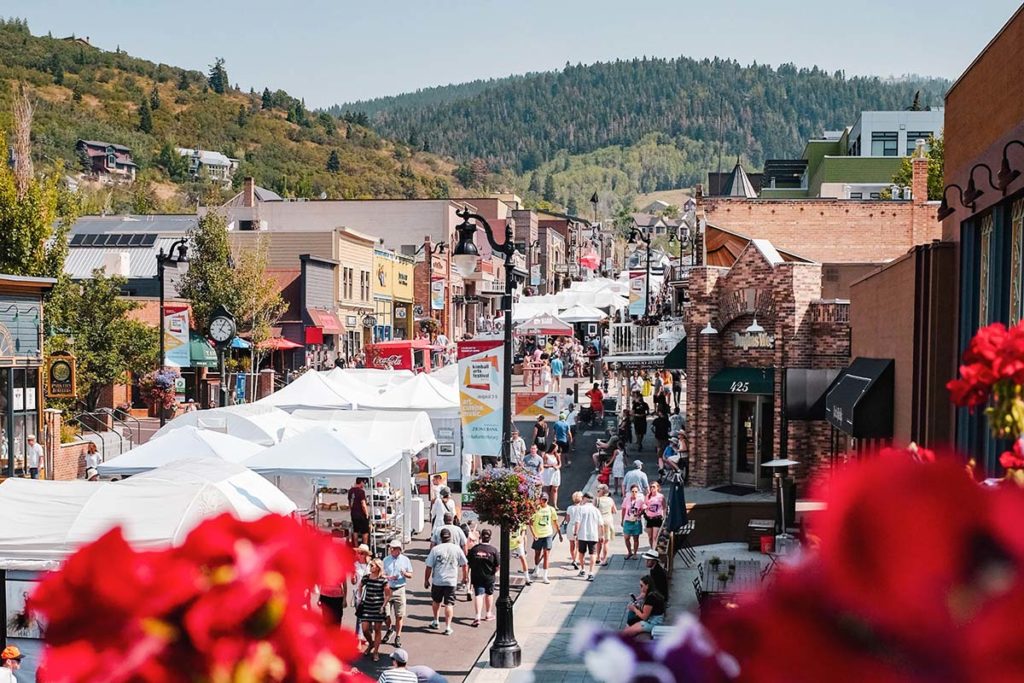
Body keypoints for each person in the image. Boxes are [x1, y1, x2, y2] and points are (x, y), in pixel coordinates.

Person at [424, 528, 469, 636]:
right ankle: (448, 627)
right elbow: (464, 564)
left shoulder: (435, 549)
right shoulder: (456, 549)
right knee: (449, 604)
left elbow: (429, 566)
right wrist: (465, 577)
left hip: (438, 580)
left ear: (440, 538)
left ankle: (436, 620)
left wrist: (426, 579)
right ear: (450, 537)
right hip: (451, 581)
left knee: (436, 601)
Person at [358, 558, 391, 661]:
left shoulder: (383, 580)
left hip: (378, 607)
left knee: (377, 630)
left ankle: (376, 652)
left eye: (373, 566)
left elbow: (388, 594)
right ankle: (371, 643)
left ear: (378, 567)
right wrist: (359, 597)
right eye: (370, 565)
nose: (371, 567)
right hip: (367, 606)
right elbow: (360, 585)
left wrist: (383, 606)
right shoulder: (366, 578)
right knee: (365, 629)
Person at [382, 540, 414, 649]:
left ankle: (398, 636)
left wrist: (405, 574)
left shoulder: (405, 560)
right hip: (388, 589)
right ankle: (389, 629)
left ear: (399, 550)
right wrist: (389, 578)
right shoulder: (386, 560)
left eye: (393, 548)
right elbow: (382, 574)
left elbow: (410, 574)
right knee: (385, 614)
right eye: (390, 548)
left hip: (400, 589)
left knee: (399, 615)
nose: (391, 550)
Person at [468, 528, 500, 626]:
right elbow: (498, 565)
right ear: (490, 538)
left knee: (478, 595)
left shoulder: (474, 549)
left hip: (476, 575)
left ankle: (477, 616)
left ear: (481, 537)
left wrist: (467, 576)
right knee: (489, 594)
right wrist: (494, 572)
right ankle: (488, 613)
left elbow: (469, 563)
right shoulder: (493, 550)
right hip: (489, 576)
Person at [530, 492, 561, 583]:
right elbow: (531, 523)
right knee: (537, 553)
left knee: (546, 555)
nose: (543, 501)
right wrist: (534, 534)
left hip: (548, 534)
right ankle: (536, 569)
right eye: (542, 499)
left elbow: (555, 522)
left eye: (545, 500)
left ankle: (545, 575)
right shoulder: (536, 510)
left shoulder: (551, 509)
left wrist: (558, 533)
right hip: (538, 534)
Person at [573, 492, 604, 582]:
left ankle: (582, 569)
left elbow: (577, 522)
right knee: (593, 554)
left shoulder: (580, 509)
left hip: (582, 535)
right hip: (593, 535)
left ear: (585, 499)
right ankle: (591, 572)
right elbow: (601, 524)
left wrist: (575, 533)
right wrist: (601, 535)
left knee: (581, 552)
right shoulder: (596, 510)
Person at [318, 542, 348, 627]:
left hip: (337, 596)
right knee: (326, 620)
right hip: (325, 595)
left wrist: (345, 598)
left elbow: (345, 584)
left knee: (337, 619)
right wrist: (319, 598)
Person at [351, 543, 372, 648]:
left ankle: (365, 637)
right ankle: (358, 640)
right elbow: (353, 582)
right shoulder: (354, 565)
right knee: (360, 617)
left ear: (365, 554)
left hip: (369, 594)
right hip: (358, 594)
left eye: (361, 553)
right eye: (358, 552)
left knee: (367, 618)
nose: (359, 555)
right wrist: (353, 578)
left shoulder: (371, 565)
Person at [596, 484, 618, 567]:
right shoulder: (610, 500)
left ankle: (598, 557)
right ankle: (604, 559)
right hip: (608, 520)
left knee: (599, 541)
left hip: (599, 521)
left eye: (598, 490)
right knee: (606, 541)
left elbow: (594, 510)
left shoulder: (597, 500)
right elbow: (615, 511)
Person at [621, 484, 645, 559]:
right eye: (633, 491)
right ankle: (629, 552)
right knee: (626, 537)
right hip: (628, 520)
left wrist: (639, 513)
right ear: (630, 492)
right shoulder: (626, 499)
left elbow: (644, 509)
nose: (634, 493)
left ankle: (635, 553)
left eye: (636, 491)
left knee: (636, 538)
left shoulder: (640, 500)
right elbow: (623, 510)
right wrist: (622, 520)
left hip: (636, 521)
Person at [562, 491, 583, 567]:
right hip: (579, 527)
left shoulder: (569, 508)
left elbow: (567, 519)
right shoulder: (581, 508)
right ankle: (576, 559)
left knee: (571, 544)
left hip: (570, 526)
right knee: (578, 544)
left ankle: (574, 558)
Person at [644, 481, 666, 550]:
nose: (652, 488)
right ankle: (651, 549)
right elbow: (645, 504)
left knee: (655, 537)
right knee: (650, 537)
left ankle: (653, 552)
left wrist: (664, 517)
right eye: (651, 487)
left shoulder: (661, 496)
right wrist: (644, 507)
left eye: (654, 487)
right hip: (649, 518)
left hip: (657, 518)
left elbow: (664, 507)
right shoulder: (648, 496)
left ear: (657, 488)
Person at [348, 478, 370, 547]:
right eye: (364, 483)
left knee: (355, 530)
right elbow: (363, 504)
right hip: (361, 515)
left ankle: (356, 548)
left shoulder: (350, 491)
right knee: (365, 532)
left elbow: (350, 503)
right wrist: (366, 514)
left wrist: (352, 510)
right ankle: (364, 549)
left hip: (354, 514)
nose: (364, 484)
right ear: (361, 482)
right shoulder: (361, 491)